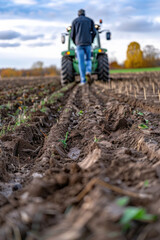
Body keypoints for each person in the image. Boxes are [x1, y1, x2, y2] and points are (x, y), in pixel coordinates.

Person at [71, 9, 96, 85]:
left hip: (79, 44)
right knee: (88, 59)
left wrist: (75, 42)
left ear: (78, 14)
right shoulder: (90, 20)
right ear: (84, 14)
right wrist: (91, 40)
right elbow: (94, 32)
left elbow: (72, 35)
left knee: (81, 62)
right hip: (88, 44)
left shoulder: (75, 21)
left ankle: (83, 80)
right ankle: (88, 71)